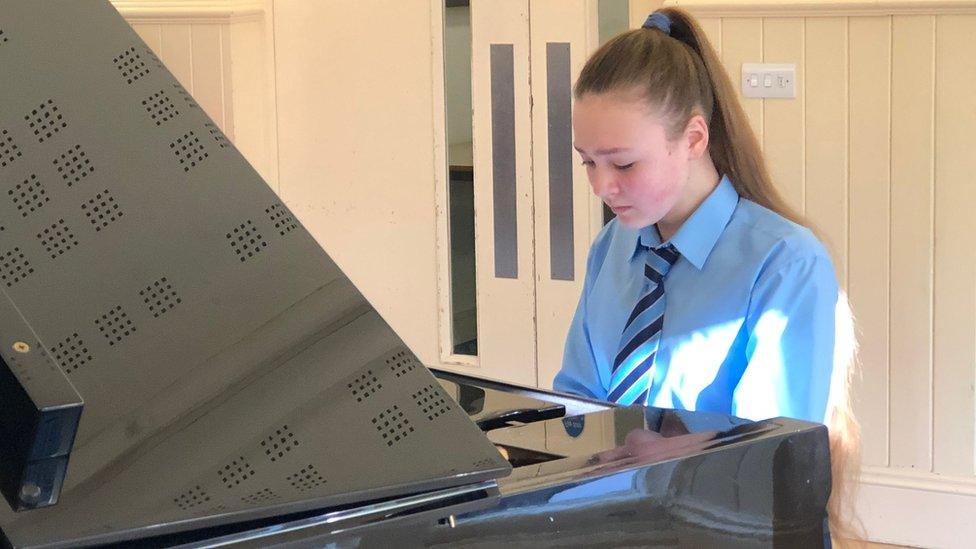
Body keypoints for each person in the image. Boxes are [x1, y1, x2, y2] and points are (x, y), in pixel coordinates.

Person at [552, 7, 861, 541]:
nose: (602, 187)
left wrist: (664, 452)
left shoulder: (785, 262)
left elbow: (770, 453)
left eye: (623, 164)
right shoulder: (611, 247)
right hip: (620, 523)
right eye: (587, 161)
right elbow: (579, 402)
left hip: (727, 527)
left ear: (694, 139)